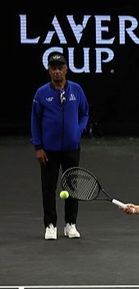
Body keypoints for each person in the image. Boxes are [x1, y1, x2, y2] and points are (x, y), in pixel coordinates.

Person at [31, 52, 89, 240]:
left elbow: (84, 114)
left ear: (66, 69)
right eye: (53, 68)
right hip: (49, 150)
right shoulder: (41, 93)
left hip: (71, 148)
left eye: (60, 68)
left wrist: (77, 131)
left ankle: (70, 224)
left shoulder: (77, 90)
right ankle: (50, 225)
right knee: (48, 188)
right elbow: (35, 120)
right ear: (49, 71)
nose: (57, 71)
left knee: (72, 185)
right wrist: (38, 146)